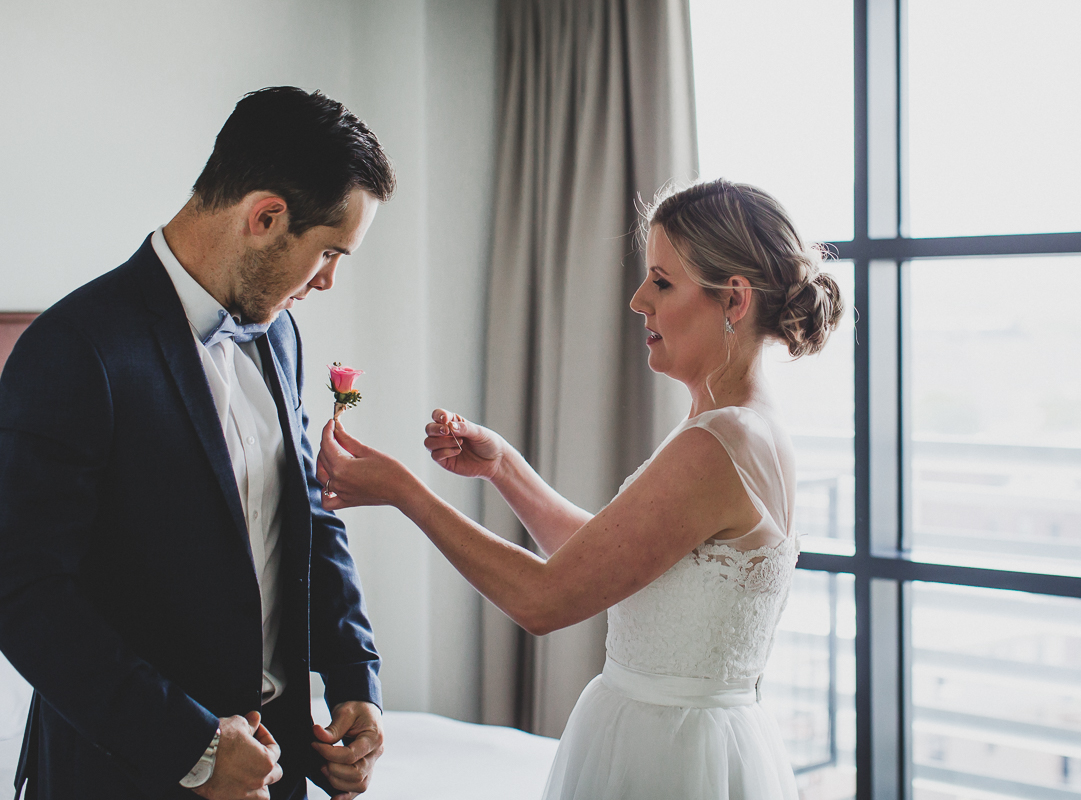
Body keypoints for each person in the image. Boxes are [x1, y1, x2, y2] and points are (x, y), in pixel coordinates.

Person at [316, 178, 844, 799]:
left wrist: (406, 492)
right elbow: (606, 559)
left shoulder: (717, 445)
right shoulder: (739, 428)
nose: (639, 300)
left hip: (670, 753)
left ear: (733, 301)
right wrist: (505, 468)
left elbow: (545, 600)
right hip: (692, 736)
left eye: (663, 282)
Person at [0, 87, 394, 800]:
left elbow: (307, 515)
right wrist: (195, 745)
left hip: (279, 768)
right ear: (266, 217)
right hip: (125, 771)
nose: (330, 280)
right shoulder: (74, 349)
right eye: (329, 252)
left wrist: (355, 677)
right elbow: (23, 593)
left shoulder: (280, 332)